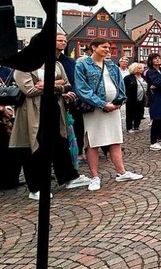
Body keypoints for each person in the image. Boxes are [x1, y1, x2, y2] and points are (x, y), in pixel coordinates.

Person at [10, 57, 91, 199]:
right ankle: (35, 187)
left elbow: (67, 85)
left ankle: (68, 177)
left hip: (55, 109)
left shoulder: (56, 64)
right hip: (33, 112)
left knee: (59, 142)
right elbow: (30, 90)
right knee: (34, 147)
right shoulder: (23, 65)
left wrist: (47, 84)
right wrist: (56, 84)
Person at [75, 38, 143, 191]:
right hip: (95, 109)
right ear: (94, 47)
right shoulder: (83, 64)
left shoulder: (111, 65)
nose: (107, 50)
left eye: (108, 47)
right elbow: (82, 89)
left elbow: (120, 85)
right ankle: (94, 177)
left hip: (113, 108)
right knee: (93, 142)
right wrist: (102, 103)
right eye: (104, 47)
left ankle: (121, 172)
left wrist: (119, 102)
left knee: (115, 140)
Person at [123, 62, 147, 133]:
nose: (141, 69)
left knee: (139, 112)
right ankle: (129, 127)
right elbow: (125, 88)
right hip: (131, 98)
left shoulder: (143, 77)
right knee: (130, 113)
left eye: (142, 68)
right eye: (139, 68)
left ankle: (137, 126)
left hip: (141, 97)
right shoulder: (128, 78)